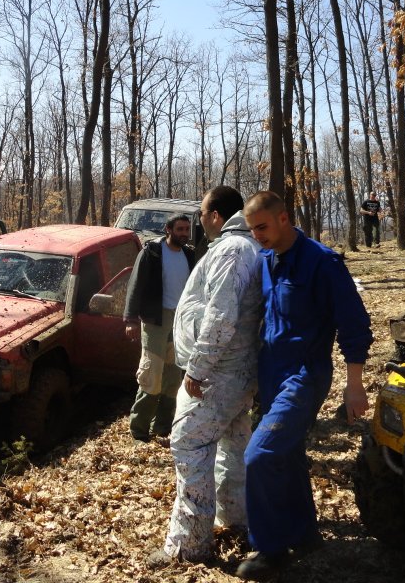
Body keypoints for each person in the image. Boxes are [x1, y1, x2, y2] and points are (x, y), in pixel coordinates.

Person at [238, 190, 373, 582]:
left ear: (284, 218)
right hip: (271, 374)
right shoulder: (265, 261)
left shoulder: (323, 262)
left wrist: (355, 385)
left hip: (304, 375)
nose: (257, 235)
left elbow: (354, 325)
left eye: (262, 226)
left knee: (259, 456)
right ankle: (304, 532)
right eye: (252, 229)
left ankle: (269, 548)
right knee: (288, 452)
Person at [150, 186, 263, 566]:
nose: (198, 221)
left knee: (188, 444)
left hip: (218, 373)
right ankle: (235, 517)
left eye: (201, 213)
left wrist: (197, 369)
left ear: (216, 215)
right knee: (233, 443)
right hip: (235, 371)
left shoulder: (232, 251)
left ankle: (188, 545)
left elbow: (221, 315)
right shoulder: (244, 247)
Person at [122, 214, 196, 443]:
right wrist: (130, 319)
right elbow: (136, 285)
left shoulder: (190, 255)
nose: (184, 233)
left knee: (173, 377)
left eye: (187, 229)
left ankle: (163, 426)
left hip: (180, 321)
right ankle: (139, 430)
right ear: (168, 229)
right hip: (155, 320)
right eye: (180, 229)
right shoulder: (152, 252)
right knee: (151, 375)